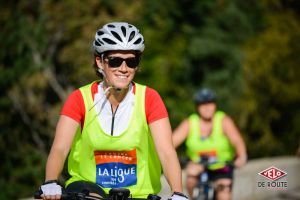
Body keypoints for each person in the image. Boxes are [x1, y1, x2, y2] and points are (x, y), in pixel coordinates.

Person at [38, 22, 188, 200]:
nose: (124, 68)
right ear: (100, 62)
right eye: (116, 61)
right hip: (88, 191)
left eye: (131, 62)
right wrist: (50, 181)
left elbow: (166, 151)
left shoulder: (150, 98)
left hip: (138, 195)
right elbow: (60, 148)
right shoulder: (80, 99)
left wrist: (178, 193)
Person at [172, 88, 247, 200]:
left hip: (221, 167)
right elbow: (171, 143)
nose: (207, 108)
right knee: (191, 177)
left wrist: (241, 156)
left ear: (215, 105)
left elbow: (237, 140)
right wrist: (173, 160)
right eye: (203, 104)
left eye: (210, 103)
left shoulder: (223, 120)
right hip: (198, 166)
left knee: (224, 195)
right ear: (197, 107)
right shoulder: (190, 122)